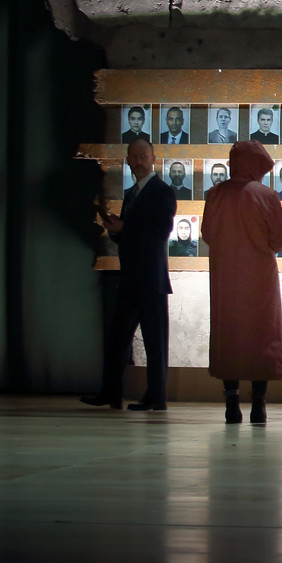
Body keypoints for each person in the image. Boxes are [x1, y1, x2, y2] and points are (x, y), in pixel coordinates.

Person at [82, 139, 177, 412]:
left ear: (153, 159)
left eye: (143, 156)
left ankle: (156, 397)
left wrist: (126, 227)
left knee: (155, 342)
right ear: (127, 161)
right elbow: (130, 235)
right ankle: (111, 392)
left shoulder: (162, 192)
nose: (138, 161)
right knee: (117, 339)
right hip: (130, 278)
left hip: (151, 280)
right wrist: (116, 229)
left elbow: (160, 232)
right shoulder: (131, 193)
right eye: (133, 156)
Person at [199, 140, 282, 425]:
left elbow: (207, 234)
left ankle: (231, 403)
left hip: (225, 276)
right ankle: (258, 405)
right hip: (260, 278)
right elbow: (279, 238)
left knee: (229, 335)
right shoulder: (267, 195)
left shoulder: (215, 194)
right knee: (261, 336)